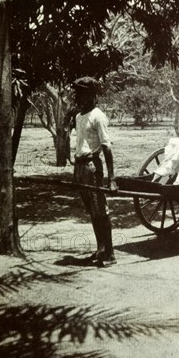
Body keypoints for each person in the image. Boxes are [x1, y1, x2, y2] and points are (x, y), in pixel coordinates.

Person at [72, 76, 118, 267]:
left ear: (91, 95)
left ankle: (110, 252)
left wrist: (112, 178)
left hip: (92, 167)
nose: (78, 97)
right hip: (80, 166)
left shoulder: (98, 116)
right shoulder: (79, 116)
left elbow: (107, 147)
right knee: (92, 211)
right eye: (77, 93)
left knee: (101, 211)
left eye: (82, 93)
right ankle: (101, 248)